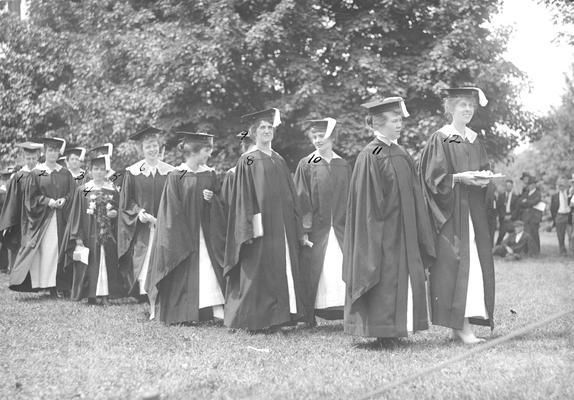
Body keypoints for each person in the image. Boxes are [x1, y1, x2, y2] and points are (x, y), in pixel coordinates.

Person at [343, 97, 435, 343]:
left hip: (404, 230)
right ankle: (382, 331)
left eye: (399, 121)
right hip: (383, 232)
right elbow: (366, 204)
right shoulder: (370, 154)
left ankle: (398, 329)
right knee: (385, 279)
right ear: (379, 124)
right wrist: (379, 232)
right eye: (394, 121)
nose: (399, 125)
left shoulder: (400, 152)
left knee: (401, 279)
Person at [419, 87, 495, 344]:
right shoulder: (441, 138)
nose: (467, 109)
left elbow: (484, 170)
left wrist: (485, 180)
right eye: (461, 105)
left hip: (473, 214)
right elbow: (432, 178)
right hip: (451, 215)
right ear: (450, 109)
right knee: (456, 266)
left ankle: (459, 326)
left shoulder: (474, 139)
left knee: (472, 265)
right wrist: (458, 178)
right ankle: (462, 327)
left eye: (470, 105)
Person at [223, 108, 306, 331]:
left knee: (282, 267)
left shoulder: (278, 159)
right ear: (253, 132)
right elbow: (243, 198)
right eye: (262, 127)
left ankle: (281, 317)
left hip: (283, 226)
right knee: (259, 269)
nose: (267, 131)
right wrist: (248, 226)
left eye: (270, 127)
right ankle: (256, 319)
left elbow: (291, 195)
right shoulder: (248, 160)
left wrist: (297, 227)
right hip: (260, 226)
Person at [146, 132, 226, 324]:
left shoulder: (209, 173)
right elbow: (170, 210)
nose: (208, 155)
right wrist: (182, 235)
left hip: (206, 234)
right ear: (195, 153)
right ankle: (184, 314)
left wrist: (212, 199)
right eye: (206, 151)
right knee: (187, 271)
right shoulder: (176, 175)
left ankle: (215, 310)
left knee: (208, 268)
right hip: (184, 236)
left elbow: (221, 200)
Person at [293, 118, 351, 326]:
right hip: (317, 229)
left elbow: (349, 198)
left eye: (322, 136)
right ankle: (310, 316)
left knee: (340, 269)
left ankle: (347, 312)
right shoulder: (307, 163)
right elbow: (301, 198)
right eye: (314, 136)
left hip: (341, 228)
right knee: (317, 270)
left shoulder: (342, 164)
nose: (317, 140)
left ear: (332, 137)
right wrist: (305, 230)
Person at [9, 137, 76, 296]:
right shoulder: (36, 173)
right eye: (50, 150)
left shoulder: (65, 173)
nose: (53, 154)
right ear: (44, 152)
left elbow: (72, 194)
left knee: (59, 250)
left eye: (55, 151)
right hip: (43, 220)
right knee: (46, 252)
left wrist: (64, 200)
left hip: (61, 219)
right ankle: (47, 285)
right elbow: (30, 198)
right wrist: (48, 201)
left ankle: (59, 285)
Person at [118, 127, 175, 302]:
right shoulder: (133, 172)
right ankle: (145, 292)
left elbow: (174, 200)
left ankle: (163, 290)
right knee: (145, 254)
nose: (152, 150)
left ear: (160, 147)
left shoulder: (170, 171)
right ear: (141, 150)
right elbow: (127, 200)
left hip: (164, 223)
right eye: (148, 147)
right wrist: (139, 213)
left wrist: (164, 218)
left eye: (154, 145)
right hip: (142, 225)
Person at [60, 154, 124, 304]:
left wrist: (115, 213)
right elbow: (76, 215)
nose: (99, 172)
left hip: (108, 234)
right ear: (90, 171)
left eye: (102, 169)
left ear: (106, 171)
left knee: (107, 261)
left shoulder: (112, 190)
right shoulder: (84, 190)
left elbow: (119, 211)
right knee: (91, 264)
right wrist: (78, 236)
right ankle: (92, 294)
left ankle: (106, 294)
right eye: (96, 169)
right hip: (89, 234)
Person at [0, 142, 43, 273]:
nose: (31, 162)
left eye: (34, 158)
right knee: (18, 244)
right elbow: (12, 198)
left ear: (38, 157)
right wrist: (10, 220)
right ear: (24, 158)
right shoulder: (19, 176)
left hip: (40, 215)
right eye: (28, 158)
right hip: (22, 218)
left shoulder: (43, 173)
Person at [519, 176, 542, 256]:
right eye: (529, 185)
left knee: (534, 234)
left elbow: (535, 202)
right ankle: (527, 250)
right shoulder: (525, 193)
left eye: (532, 184)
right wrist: (527, 202)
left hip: (534, 217)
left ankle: (536, 251)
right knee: (526, 234)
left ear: (535, 185)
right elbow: (520, 202)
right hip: (526, 217)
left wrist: (526, 202)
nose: (530, 186)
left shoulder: (537, 193)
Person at [550, 178, 572, 256]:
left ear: (566, 186)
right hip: (559, 216)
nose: (561, 187)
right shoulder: (555, 196)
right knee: (560, 235)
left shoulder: (570, 195)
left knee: (571, 235)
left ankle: (572, 251)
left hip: (569, 216)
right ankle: (562, 251)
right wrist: (555, 218)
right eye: (560, 186)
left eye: (562, 186)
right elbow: (552, 208)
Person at [496, 179, 519, 245]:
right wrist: (503, 216)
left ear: (512, 186)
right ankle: (497, 247)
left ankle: (513, 247)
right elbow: (499, 207)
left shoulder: (516, 197)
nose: (508, 187)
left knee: (512, 234)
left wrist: (511, 216)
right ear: (505, 186)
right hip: (503, 217)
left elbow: (516, 209)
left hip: (512, 217)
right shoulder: (501, 196)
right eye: (507, 186)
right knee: (501, 234)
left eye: (510, 186)